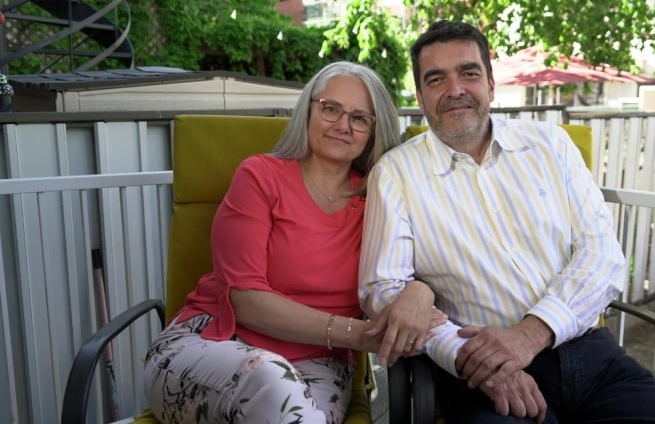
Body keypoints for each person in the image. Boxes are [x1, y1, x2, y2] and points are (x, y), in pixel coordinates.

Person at [359, 21, 655, 424]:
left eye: (469, 73)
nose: (455, 90)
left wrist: (529, 334)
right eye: (436, 79)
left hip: (591, 356)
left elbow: (603, 256)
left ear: (490, 83)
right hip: (482, 375)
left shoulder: (550, 146)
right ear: (419, 95)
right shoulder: (395, 174)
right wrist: (471, 358)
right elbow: (383, 289)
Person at [144, 61, 440, 424]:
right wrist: (358, 335)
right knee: (269, 381)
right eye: (331, 109)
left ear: (373, 131)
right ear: (309, 110)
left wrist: (421, 292)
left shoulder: (380, 199)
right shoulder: (260, 176)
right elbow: (246, 300)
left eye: (360, 118)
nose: (343, 126)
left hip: (320, 365)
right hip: (214, 345)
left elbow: (421, 266)